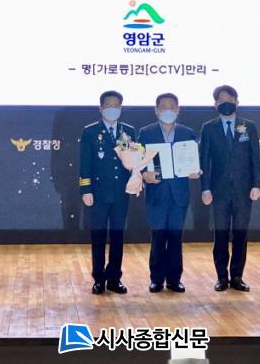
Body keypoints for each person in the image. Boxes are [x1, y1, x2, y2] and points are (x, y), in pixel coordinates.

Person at [199, 85, 260, 292]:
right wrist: (205, 188)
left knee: (240, 235)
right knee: (221, 235)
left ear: (237, 102)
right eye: (221, 100)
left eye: (230, 100)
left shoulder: (248, 126)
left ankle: (237, 276)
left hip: (244, 190)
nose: (226, 103)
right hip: (219, 191)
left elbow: (255, 159)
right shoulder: (208, 128)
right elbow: (203, 161)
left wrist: (257, 185)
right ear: (215, 104)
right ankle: (221, 277)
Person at [139, 93, 201, 293]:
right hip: (157, 193)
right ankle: (156, 279)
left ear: (178, 109)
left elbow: (195, 160)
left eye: (172, 107)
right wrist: (144, 174)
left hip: (179, 194)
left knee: (175, 238)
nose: (168, 110)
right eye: (163, 107)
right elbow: (139, 162)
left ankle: (174, 279)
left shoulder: (187, 133)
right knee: (158, 237)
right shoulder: (146, 133)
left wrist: (196, 171)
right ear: (156, 110)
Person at [79, 90, 136, 294]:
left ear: (121, 108)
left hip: (121, 193)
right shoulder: (90, 132)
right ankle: (98, 278)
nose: (112, 109)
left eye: (116, 106)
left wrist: (136, 176)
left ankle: (114, 278)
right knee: (98, 236)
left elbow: (133, 161)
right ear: (100, 108)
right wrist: (86, 189)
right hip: (98, 193)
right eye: (108, 105)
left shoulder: (128, 131)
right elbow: (85, 163)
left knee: (118, 236)